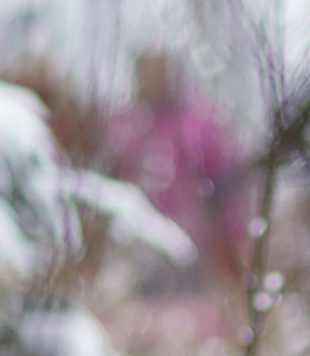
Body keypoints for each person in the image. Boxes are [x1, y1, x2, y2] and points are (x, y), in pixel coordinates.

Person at [107, 50, 251, 293]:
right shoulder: (125, 128)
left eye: (158, 71)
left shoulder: (198, 127)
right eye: (146, 72)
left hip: (194, 252)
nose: (152, 79)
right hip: (139, 254)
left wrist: (229, 247)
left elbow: (226, 189)